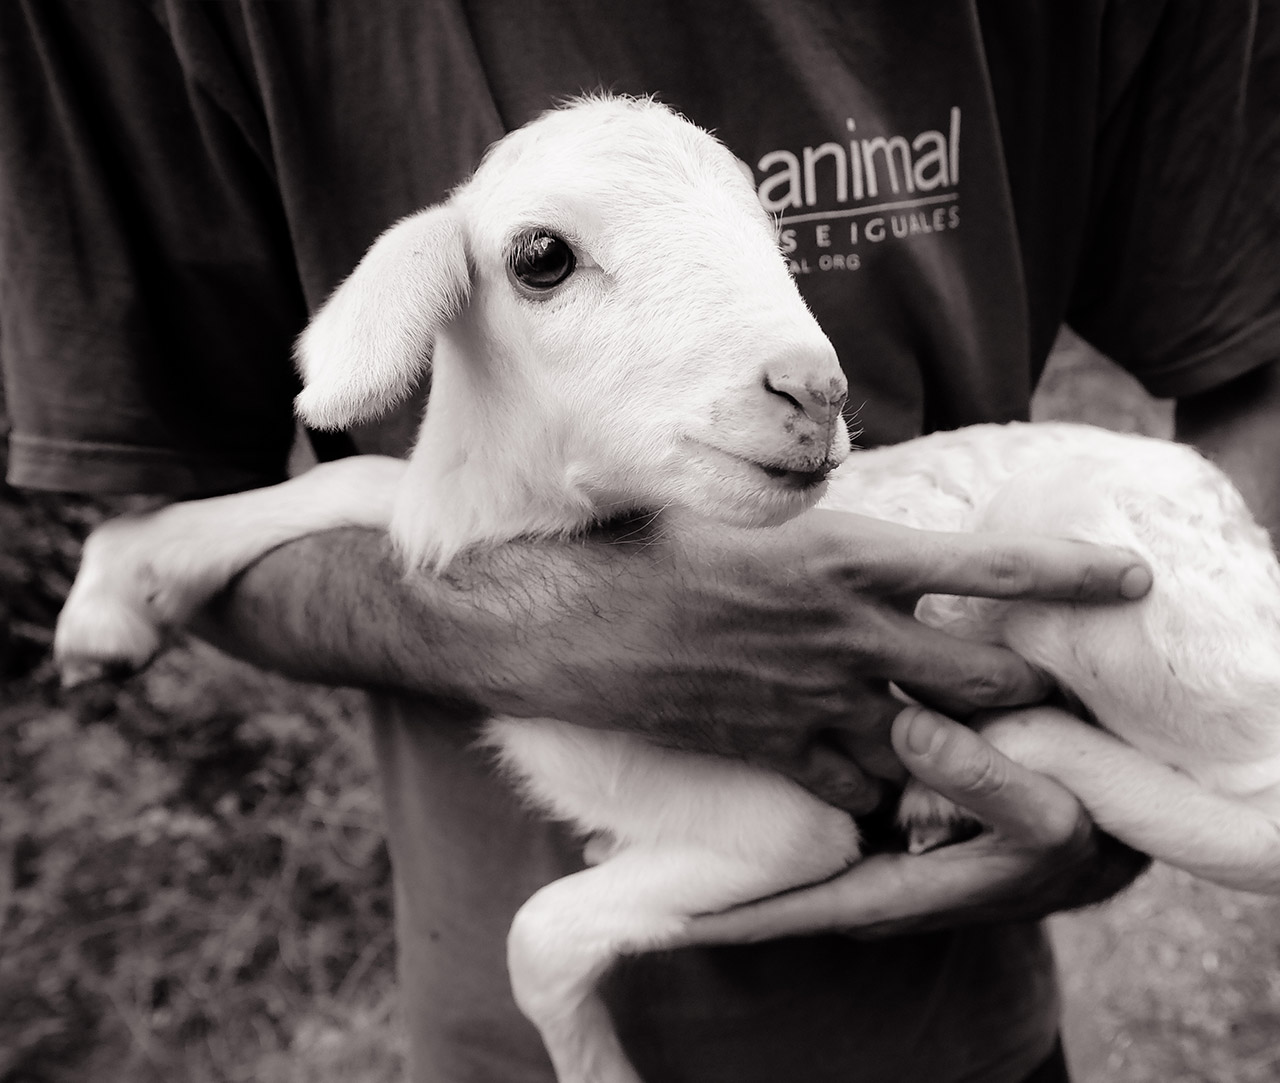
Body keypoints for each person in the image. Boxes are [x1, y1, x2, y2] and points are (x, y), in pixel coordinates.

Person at [2, 3, 1277, 1081]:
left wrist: (1111, 786)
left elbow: (1247, 329)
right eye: (550, 259)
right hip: (480, 1032)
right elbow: (304, 483)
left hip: (972, 1027)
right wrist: (535, 624)